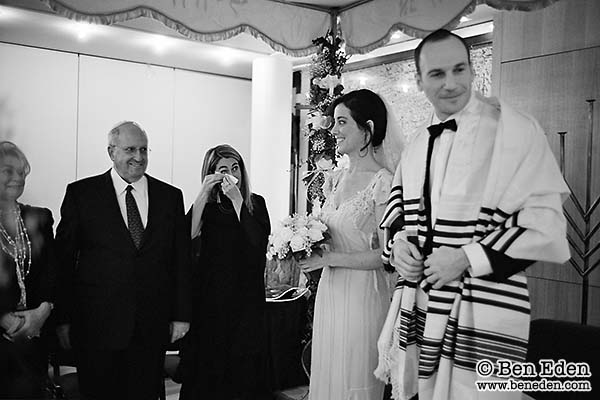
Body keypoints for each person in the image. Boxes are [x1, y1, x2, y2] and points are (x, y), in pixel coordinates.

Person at [376, 29, 570, 400]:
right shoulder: (417, 142)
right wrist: (399, 246)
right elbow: (397, 213)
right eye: (437, 74)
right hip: (418, 306)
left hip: (481, 307)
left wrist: (467, 257)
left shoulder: (513, 131)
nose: (451, 84)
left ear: (470, 70)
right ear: (419, 80)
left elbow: (544, 221)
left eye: (459, 70)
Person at [54, 121, 191, 400]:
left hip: (150, 327)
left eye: (143, 149)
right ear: (111, 152)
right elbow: (63, 262)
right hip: (96, 328)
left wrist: (181, 315)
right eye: (130, 149)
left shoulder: (170, 197)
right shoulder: (82, 195)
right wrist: (62, 319)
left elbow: (181, 261)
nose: (138, 157)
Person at [299, 89, 397, 400]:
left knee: (354, 374)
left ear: (366, 129)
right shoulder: (335, 179)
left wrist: (330, 259)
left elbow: (387, 255)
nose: (334, 130)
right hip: (331, 290)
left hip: (362, 294)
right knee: (329, 368)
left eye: (342, 122)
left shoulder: (383, 182)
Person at [178, 144, 271, 400]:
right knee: (209, 368)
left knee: (243, 370)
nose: (233, 174)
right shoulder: (206, 208)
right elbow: (186, 236)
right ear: (212, 173)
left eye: (235, 167)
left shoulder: (255, 203)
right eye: (223, 169)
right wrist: (203, 193)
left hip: (245, 299)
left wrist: (238, 200)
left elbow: (257, 241)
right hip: (209, 298)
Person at [0, 141, 57, 398]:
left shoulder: (40, 217)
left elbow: (54, 274)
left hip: (35, 336)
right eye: (8, 171)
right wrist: (5, 319)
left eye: (22, 171)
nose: (17, 177)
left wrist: (41, 313)